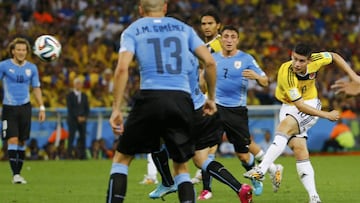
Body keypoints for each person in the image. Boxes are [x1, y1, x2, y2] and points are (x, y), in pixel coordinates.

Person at [105, 1, 217, 202]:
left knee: (122, 159)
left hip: (150, 96)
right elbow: (209, 62)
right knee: (181, 167)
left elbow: (122, 68)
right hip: (181, 100)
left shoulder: (133, 30)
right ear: (165, 7)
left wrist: (116, 108)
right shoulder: (185, 29)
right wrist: (211, 98)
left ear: (140, 9)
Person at [243, 43, 360, 203]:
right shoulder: (287, 73)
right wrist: (327, 115)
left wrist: (354, 77)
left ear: (309, 60)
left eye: (301, 61)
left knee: (283, 127)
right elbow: (298, 105)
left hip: (310, 104)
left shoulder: (316, 60)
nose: (296, 64)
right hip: (290, 106)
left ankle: (261, 169)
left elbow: (334, 56)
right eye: (294, 59)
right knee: (299, 150)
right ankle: (314, 198)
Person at [192, 12, 284, 198]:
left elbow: (266, 81)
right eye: (226, 36)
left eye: (233, 37)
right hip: (215, 108)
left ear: (237, 40)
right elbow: (202, 85)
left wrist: (257, 77)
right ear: (222, 39)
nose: (229, 40)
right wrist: (202, 77)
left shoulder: (246, 59)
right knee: (208, 149)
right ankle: (207, 189)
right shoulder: (212, 57)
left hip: (236, 111)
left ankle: (255, 176)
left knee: (243, 154)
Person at [148, 53, 253, 203]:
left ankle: (168, 183)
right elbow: (207, 69)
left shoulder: (167, 69)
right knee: (201, 160)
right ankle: (240, 188)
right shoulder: (190, 61)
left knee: (173, 159)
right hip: (202, 112)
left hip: (184, 114)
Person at [0, 37, 46, 184]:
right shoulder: (4, 66)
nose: (21, 52)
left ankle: (18, 174)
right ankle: (16, 175)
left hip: (25, 107)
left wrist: (41, 107)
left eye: (24, 50)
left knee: (21, 142)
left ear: (27, 52)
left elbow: (36, 88)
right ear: (13, 51)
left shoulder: (32, 68)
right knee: (12, 139)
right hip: (9, 108)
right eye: (18, 50)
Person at [66, 77, 90, 160]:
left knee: (83, 137)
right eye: (77, 83)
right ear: (74, 85)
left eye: (80, 84)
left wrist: (85, 117)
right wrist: (77, 117)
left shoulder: (84, 96)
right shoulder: (70, 95)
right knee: (71, 137)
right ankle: (69, 154)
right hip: (73, 120)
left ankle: (82, 155)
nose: (79, 85)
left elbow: (87, 108)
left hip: (83, 120)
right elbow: (70, 108)